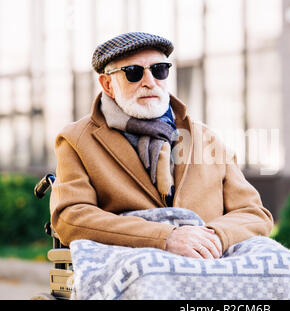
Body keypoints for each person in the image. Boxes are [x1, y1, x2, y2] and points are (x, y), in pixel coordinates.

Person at [50, 32, 273, 260]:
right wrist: (164, 237)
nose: (149, 82)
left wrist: (213, 237)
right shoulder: (76, 139)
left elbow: (253, 213)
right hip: (136, 264)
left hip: (214, 261)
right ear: (107, 84)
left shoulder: (206, 138)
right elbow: (71, 217)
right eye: (133, 73)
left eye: (159, 70)